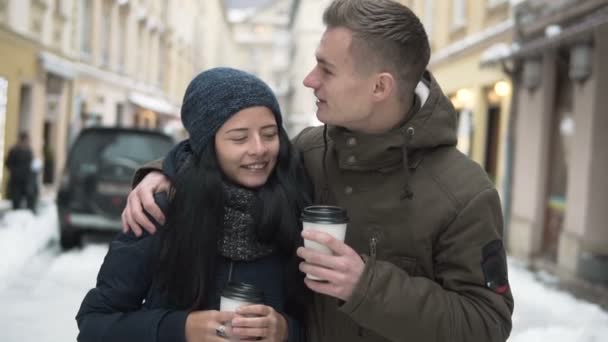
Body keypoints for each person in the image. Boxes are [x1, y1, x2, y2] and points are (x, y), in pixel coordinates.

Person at [122, 1, 514, 341]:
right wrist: (161, 173)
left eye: (326, 70)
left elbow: (487, 324)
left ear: (380, 87)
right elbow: (230, 156)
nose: (310, 79)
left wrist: (366, 285)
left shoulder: (464, 193)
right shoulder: (310, 149)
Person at [77, 67, 312, 342]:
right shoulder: (159, 211)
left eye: (270, 134)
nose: (259, 149)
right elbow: (94, 324)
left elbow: (324, 324)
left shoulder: (296, 207)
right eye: (239, 138)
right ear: (207, 146)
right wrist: (180, 328)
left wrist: (286, 331)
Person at [5, 131, 36, 212]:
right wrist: (15, 171)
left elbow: (31, 164)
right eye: (25, 140)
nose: (27, 142)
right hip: (16, 181)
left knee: (29, 201)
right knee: (16, 201)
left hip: (26, 180)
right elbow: (8, 163)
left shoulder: (29, 151)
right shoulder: (14, 150)